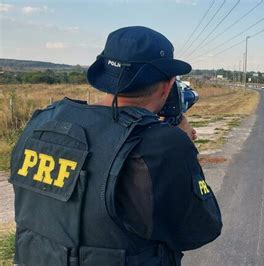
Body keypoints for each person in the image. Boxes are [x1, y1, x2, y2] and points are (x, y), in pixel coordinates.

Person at [9, 26, 222, 266]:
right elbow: (200, 228)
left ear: (105, 77)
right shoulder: (162, 145)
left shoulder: (44, 121)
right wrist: (184, 146)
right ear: (167, 85)